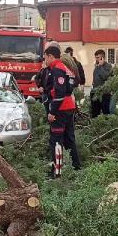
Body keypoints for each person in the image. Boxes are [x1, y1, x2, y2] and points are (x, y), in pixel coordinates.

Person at [44, 45, 80, 177]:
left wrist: (52, 112)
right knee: (69, 139)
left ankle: (56, 172)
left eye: (45, 58)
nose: (45, 62)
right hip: (69, 106)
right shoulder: (66, 68)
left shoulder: (57, 69)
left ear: (50, 56)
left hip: (61, 108)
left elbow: (59, 93)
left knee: (56, 140)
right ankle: (76, 168)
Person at [90, 50, 113, 118]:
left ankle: (106, 126)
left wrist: (101, 66)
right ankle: (95, 125)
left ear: (102, 58)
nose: (96, 59)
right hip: (95, 92)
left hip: (104, 93)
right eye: (95, 57)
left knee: (105, 111)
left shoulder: (108, 66)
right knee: (95, 112)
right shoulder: (97, 66)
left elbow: (105, 76)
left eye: (98, 57)